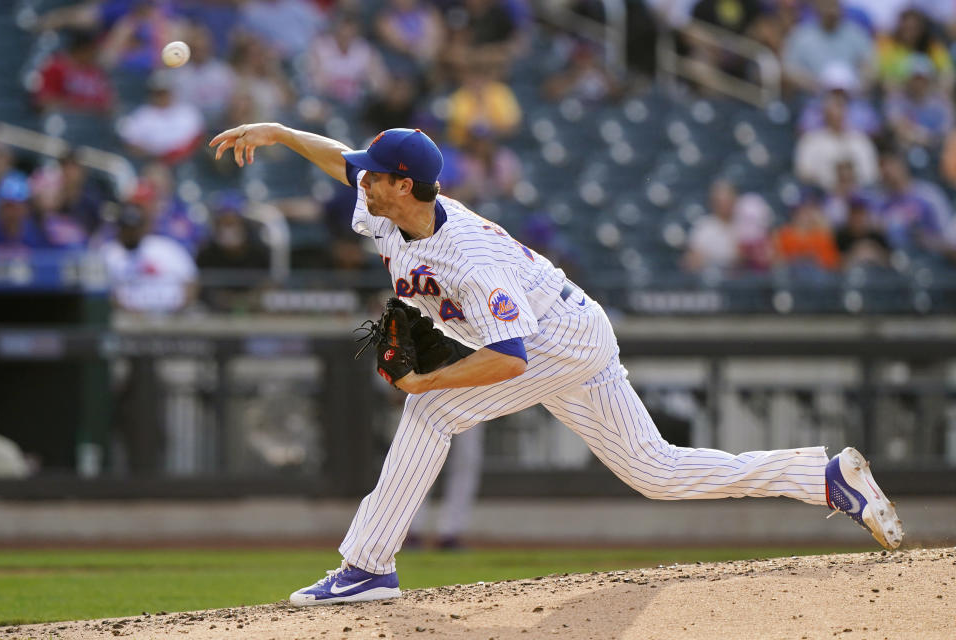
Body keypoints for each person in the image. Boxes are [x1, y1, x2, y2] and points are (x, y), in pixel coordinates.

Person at [210, 123, 904, 606]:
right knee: (656, 472)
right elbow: (342, 159)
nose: (358, 180)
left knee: (430, 409)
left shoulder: (468, 258)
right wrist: (277, 131)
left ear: (405, 184)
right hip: (573, 330)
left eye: (374, 175)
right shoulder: (394, 211)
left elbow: (509, 359)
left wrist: (427, 379)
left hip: (559, 339)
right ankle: (822, 477)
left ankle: (366, 565)